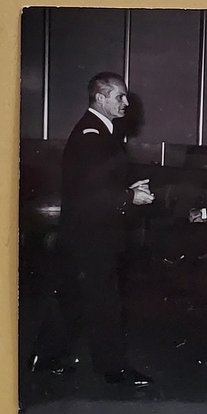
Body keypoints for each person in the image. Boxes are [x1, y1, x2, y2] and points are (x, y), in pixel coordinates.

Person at [30, 72, 155, 387]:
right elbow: (91, 191)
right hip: (93, 238)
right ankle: (114, 369)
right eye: (120, 97)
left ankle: (43, 358)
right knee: (105, 304)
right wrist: (130, 196)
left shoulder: (100, 131)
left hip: (83, 235)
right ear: (101, 98)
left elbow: (99, 181)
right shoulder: (91, 134)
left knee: (71, 298)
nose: (126, 102)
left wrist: (129, 187)